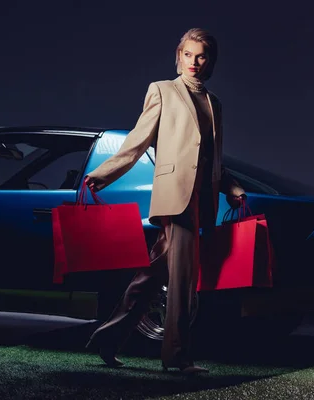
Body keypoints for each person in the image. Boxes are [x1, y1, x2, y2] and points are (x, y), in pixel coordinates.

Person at [84, 28, 246, 374]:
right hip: (175, 198)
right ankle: (176, 357)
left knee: (151, 274)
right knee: (184, 282)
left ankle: (107, 339)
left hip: (201, 200)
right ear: (179, 55)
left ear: (210, 61)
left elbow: (210, 158)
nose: (194, 62)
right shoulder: (162, 91)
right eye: (188, 54)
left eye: (201, 56)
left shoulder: (214, 103)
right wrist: (103, 174)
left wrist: (230, 186)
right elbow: (137, 141)